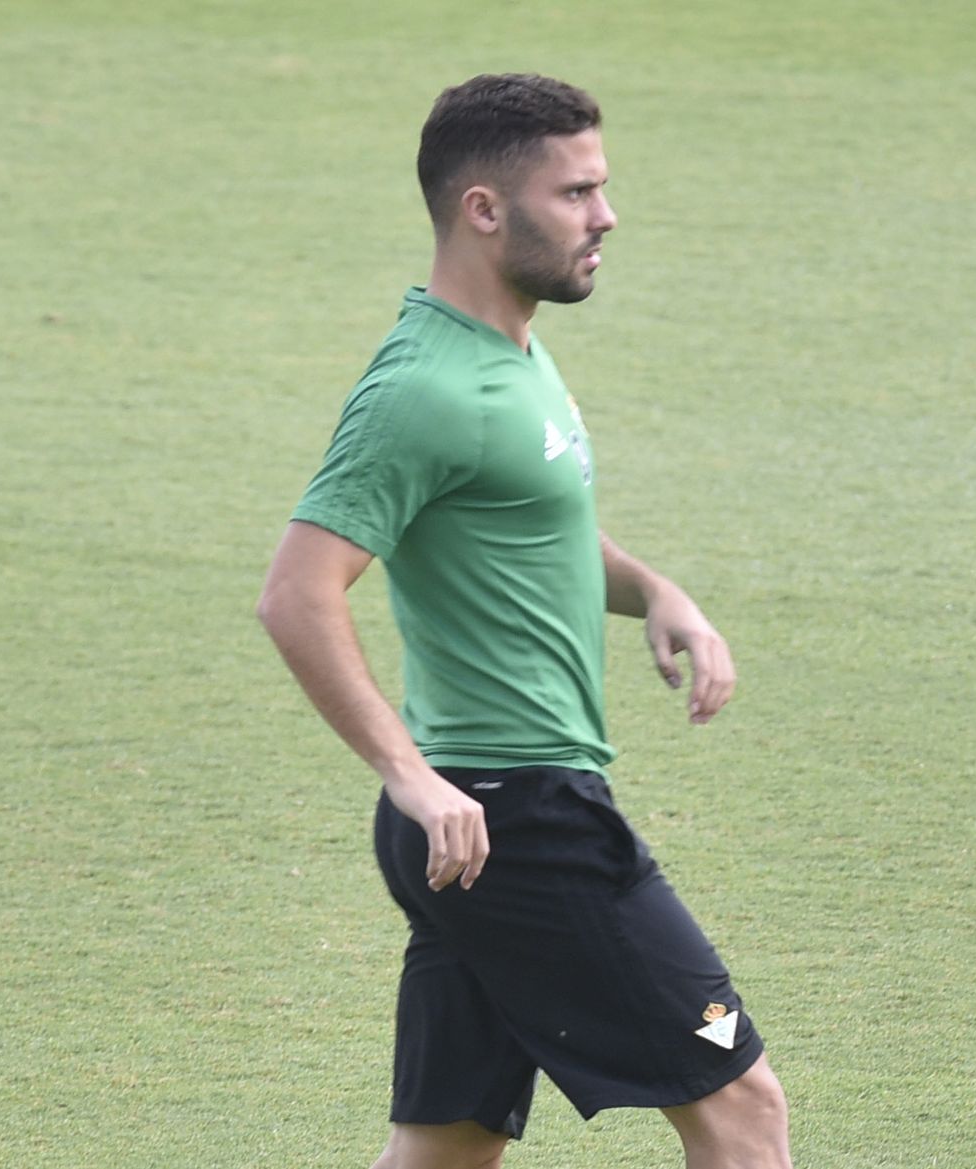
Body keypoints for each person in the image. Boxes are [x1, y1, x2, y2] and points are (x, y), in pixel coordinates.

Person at [256, 74, 793, 1169]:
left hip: (476, 823)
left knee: (444, 1149)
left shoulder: (513, 355)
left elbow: (528, 524)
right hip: (517, 817)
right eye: (577, 191)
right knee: (742, 1109)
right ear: (484, 210)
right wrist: (408, 773)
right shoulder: (425, 389)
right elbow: (296, 591)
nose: (606, 216)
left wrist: (657, 592)